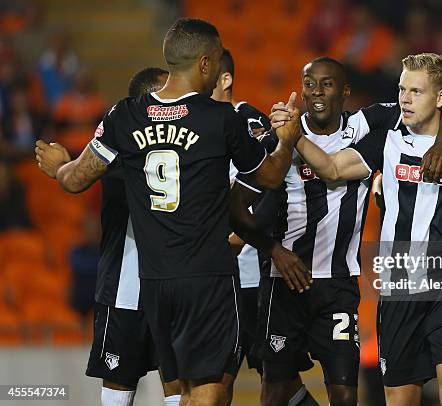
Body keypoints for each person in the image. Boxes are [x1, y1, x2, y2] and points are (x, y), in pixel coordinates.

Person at [36, 18, 302, 406]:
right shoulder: (220, 119)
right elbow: (272, 176)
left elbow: (75, 179)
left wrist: (59, 165)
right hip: (207, 278)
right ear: (207, 63)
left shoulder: (123, 115)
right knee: (207, 393)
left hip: (155, 285)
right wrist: (287, 141)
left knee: (181, 395)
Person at [279, 53, 442, 406]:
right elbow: (333, 168)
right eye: (401, 89)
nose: (405, 99)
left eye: (416, 91)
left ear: (441, 98)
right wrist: (295, 138)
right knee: (400, 398)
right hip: (400, 287)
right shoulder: (387, 142)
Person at [233, 56, 442, 406]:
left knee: (344, 393)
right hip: (283, 281)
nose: (317, 92)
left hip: (338, 284)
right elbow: (235, 207)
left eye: (327, 84)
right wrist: (274, 249)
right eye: (309, 84)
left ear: (345, 91)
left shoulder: (368, 126)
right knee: (274, 392)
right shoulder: (280, 136)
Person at [36, 67, 183, 406]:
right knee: (163, 390)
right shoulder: (185, 146)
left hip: (136, 287)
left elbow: (79, 178)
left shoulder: (115, 142)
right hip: (145, 285)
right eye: (170, 93)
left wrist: (65, 166)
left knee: (162, 391)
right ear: (150, 101)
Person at [211, 48, 318, 406]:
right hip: (216, 275)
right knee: (227, 378)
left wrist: (243, 233)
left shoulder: (248, 122)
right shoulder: (197, 124)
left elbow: (274, 183)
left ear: (225, 78)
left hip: (250, 275)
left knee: (273, 380)